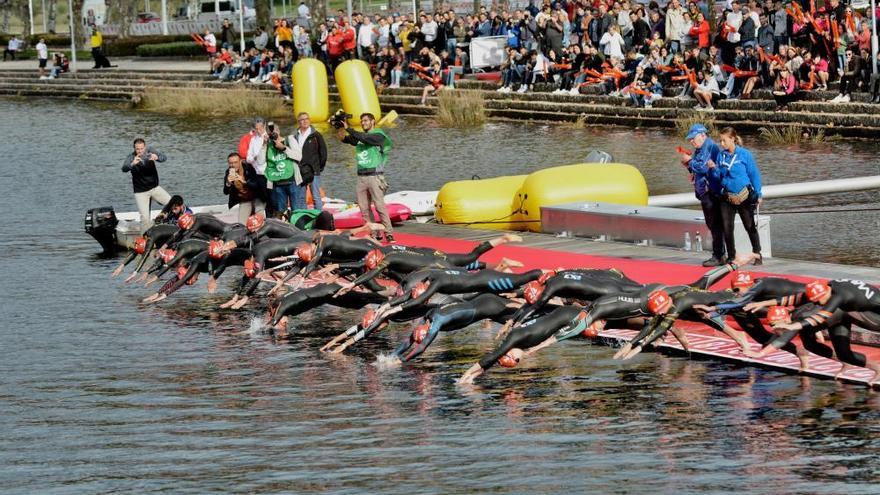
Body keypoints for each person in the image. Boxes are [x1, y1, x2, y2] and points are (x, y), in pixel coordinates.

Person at [708, 127, 763, 264]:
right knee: (727, 227)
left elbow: (754, 175)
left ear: (732, 139)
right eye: (720, 141)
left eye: (724, 141)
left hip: (744, 196)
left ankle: (757, 253)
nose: (722, 144)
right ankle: (731, 256)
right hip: (727, 197)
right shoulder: (721, 156)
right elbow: (718, 176)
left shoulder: (745, 155)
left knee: (749, 225)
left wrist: (759, 194)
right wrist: (713, 169)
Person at [337, 113, 395, 242]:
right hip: (361, 177)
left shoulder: (379, 135)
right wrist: (339, 126)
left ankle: (389, 232)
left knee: (380, 207)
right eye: (362, 121)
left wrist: (349, 128)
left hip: (375, 177)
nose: (363, 123)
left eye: (365, 121)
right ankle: (374, 234)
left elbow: (366, 138)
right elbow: (343, 139)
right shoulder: (359, 137)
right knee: (364, 209)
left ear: (373, 121)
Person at [680, 123, 725, 266]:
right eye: (690, 140)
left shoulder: (709, 147)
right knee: (712, 223)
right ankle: (720, 254)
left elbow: (702, 166)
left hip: (711, 192)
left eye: (694, 138)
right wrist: (689, 168)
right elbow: (697, 169)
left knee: (715, 224)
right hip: (704, 192)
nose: (692, 142)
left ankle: (718, 255)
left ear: (703, 135)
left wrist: (690, 161)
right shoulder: (700, 149)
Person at [122, 138, 172, 231]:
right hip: (141, 192)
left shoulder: (150, 151)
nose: (140, 151)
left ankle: (166, 221)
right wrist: (132, 164)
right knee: (145, 219)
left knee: (173, 204)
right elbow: (124, 168)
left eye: (141, 148)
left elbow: (164, 157)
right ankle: (146, 239)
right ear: (134, 149)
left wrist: (157, 158)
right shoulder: (131, 157)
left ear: (145, 147)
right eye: (137, 149)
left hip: (154, 188)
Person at [263, 122, 305, 216]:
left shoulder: (289, 140)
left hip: (293, 182)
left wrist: (284, 148)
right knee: (281, 213)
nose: (273, 135)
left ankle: (297, 229)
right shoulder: (268, 145)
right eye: (271, 133)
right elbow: (261, 161)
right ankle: (284, 229)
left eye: (274, 132)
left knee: (296, 211)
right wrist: (264, 145)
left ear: (278, 131)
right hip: (277, 183)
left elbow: (299, 157)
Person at [293, 113, 327, 211]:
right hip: (300, 171)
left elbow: (323, 152)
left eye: (306, 119)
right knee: (301, 197)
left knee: (316, 195)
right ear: (298, 122)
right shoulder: (295, 136)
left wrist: (319, 167)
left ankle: (319, 217)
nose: (305, 121)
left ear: (309, 120)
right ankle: (304, 217)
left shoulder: (316, 135)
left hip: (314, 170)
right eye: (302, 120)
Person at [224, 152, 267, 223]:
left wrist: (244, 181)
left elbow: (257, 185)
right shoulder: (228, 172)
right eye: (231, 163)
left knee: (259, 218)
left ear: (240, 161)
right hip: (245, 200)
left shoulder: (250, 168)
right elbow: (225, 192)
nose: (233, 165)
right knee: (241, 223)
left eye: (235, 162)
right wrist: (228, 183)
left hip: (258, 197)